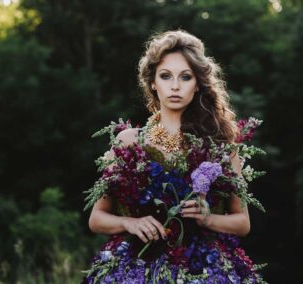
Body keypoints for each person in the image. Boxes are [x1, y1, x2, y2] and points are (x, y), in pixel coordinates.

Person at [83, 30, 265, 283]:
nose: (175, 86)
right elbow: (96, 218)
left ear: (198, 83)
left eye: (186, 77)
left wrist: (207, 218)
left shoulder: (221, 146)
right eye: (166, 76)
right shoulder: (129, 141)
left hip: (203, 269)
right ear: (153, 83)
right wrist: (129, 223)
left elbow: (243, 223)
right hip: (137, 266)